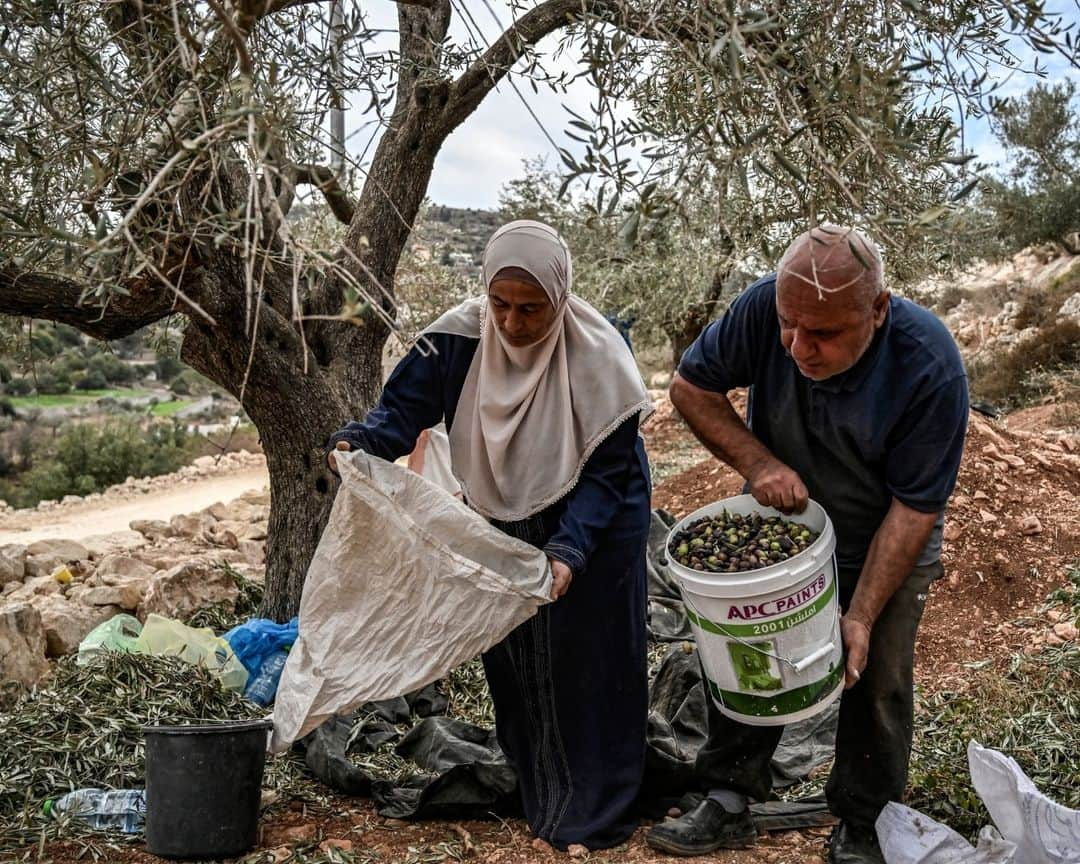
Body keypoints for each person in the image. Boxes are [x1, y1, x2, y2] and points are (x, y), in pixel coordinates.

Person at [327, 220, 654, 851]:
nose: (513, 323)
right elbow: (400, 416)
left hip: (597, 517)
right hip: (500, 512)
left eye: (532, 309)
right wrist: (362, 443)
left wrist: (569, 551)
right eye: (500, 305)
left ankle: (600, 810)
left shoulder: (599, 355)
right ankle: (544, 794)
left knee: (592, 657)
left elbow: (610, 474)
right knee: (517, 656)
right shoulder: (454, 338)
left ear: (560, 299)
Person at [645, 225, 968, 864]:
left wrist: (861, 615)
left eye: (823, 334)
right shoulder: (764, 308)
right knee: (747, 650)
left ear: (877, 311)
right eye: (790, 326)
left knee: (873, 676)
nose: (798, 347)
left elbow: (914, 510)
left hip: (883, 534)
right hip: (788, 530)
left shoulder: (929, 366)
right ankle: (729, 798)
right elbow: (690, 387)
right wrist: (759, 463)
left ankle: (862, 818)